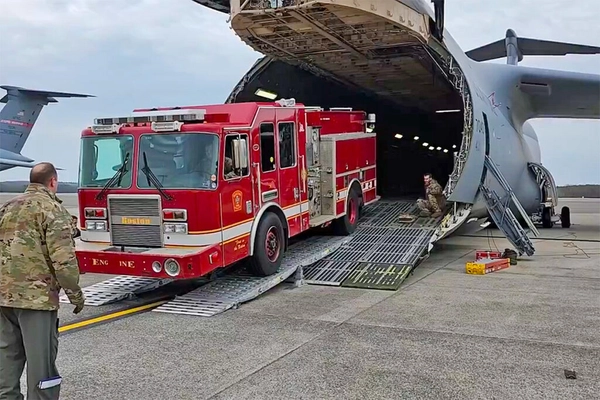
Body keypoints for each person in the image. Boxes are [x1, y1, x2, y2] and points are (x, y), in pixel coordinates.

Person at [0, 162, 85, 400]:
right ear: (53, 182)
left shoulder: (7, 207)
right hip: (36, 301)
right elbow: (64, 263)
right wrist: (76, 295)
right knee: (42, 368)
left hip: (4, 297)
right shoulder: (52, 210)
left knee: (7, 360)